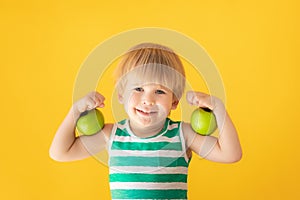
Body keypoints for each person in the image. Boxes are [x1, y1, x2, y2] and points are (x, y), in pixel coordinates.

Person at [49, 43, 242, 199]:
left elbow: (230, 154)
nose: (148, 100)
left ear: (174, 101)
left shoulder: (183, 135)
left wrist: (218, 108)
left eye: (159, 91)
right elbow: (60, 152)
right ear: (121, 95)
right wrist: (75, 112)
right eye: (138, 89)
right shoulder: (112, 135)